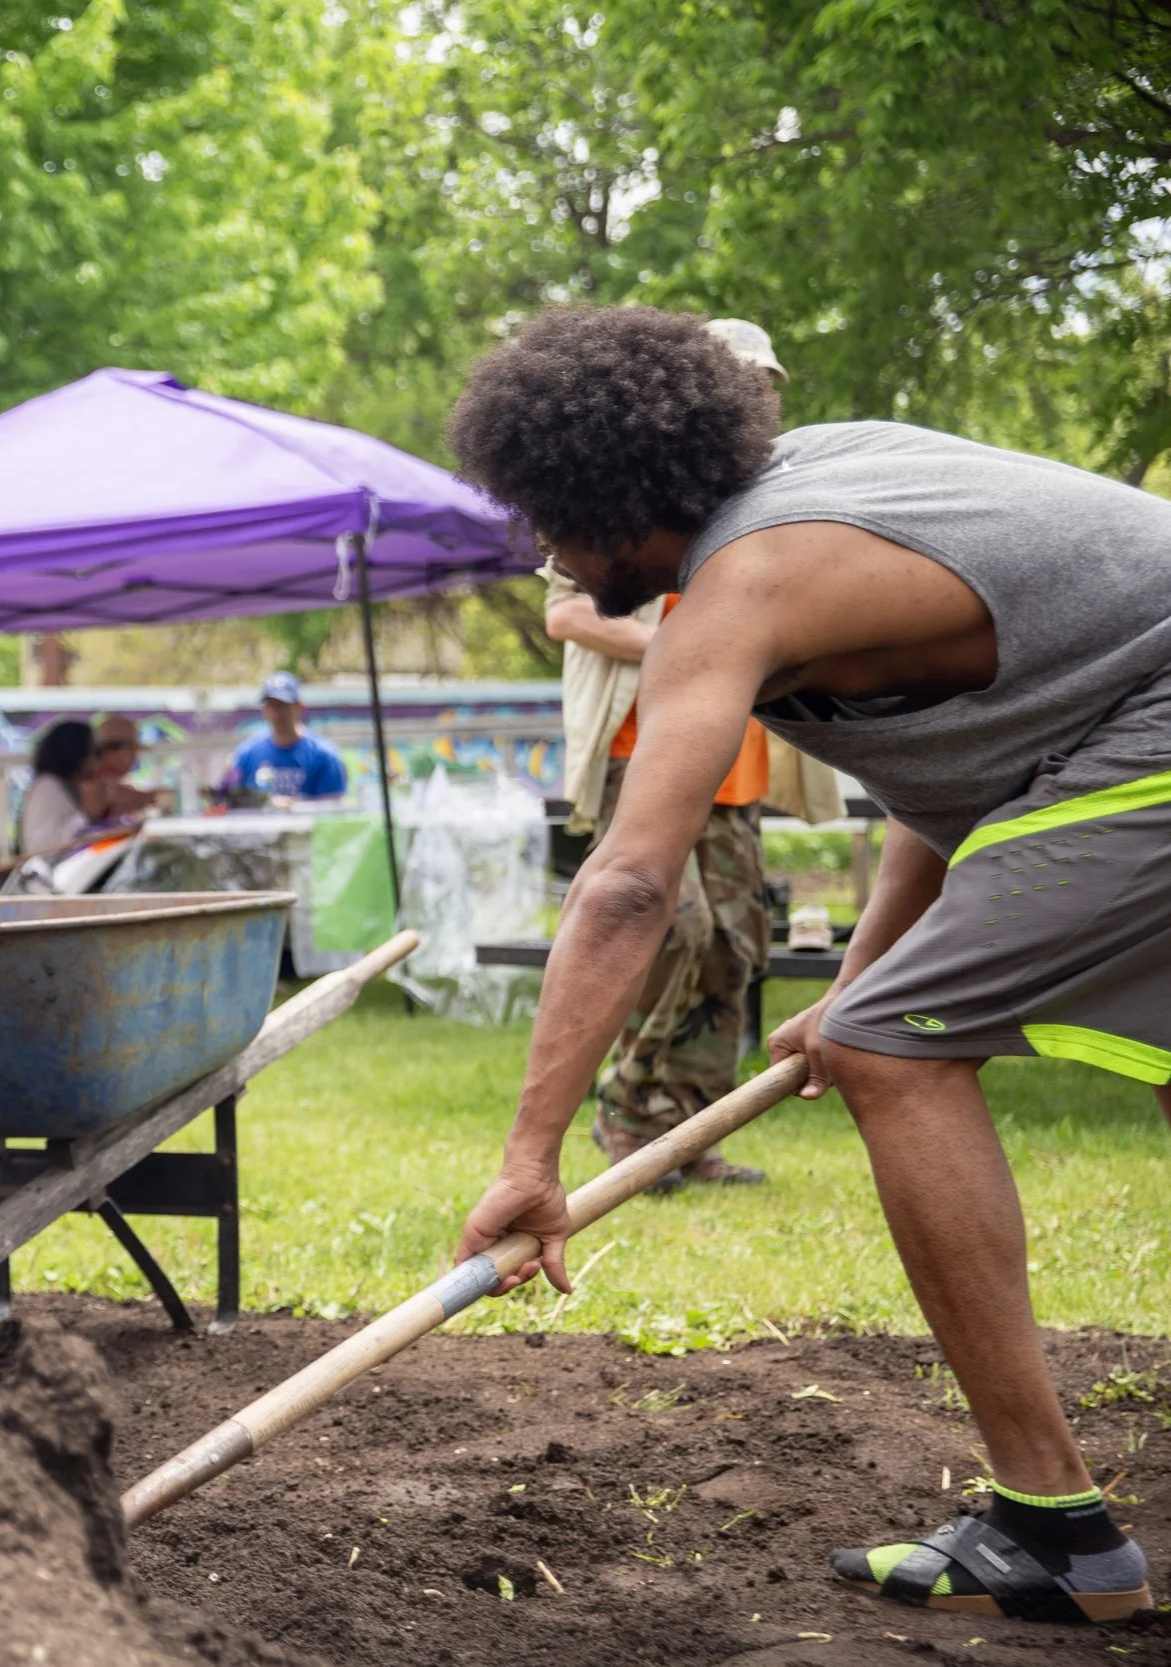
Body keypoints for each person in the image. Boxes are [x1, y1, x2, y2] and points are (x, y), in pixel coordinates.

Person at [447, 303, 1161, 1623]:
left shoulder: (748, 578)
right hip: (1112, 740)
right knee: (892, 1022)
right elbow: (947, 783)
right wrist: (857, 979)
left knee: (894, 1049)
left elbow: (624, 881)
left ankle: (1055, 1532)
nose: (544, 546)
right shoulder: (814, 508)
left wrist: (531, 1160)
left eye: (548, 511)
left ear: (608, 495)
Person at [545, 318, 840, 1188]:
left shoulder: (777, 493)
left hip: (735, 762)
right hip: (645, 747)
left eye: (768, 383)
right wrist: (698, 653)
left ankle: (686, 1129)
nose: (761, 395)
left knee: (736, 948)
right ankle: (628, 1110)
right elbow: (567, 613)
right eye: (744, 378)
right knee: (677, 929)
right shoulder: (634, 490)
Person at [226, 672, 346, 798]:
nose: (275, 713)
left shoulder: (323, 755)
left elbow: (332, 808)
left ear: (298, 707)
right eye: (270, 705)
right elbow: (231, 800)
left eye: (281, 706)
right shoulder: (247, 754)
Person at [16, 720, 97, 856]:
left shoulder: (62, 786)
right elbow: (41, 848)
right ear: (76, 754)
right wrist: (86, 814)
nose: (97, 761)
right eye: (95, 753)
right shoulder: (47, 788)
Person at [90, 715, 166, 819]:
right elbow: (114, 801)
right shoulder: (90, 781)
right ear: (121, 751)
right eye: (134, 751)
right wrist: (155, 798)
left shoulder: (105, 779)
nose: (135, 758)